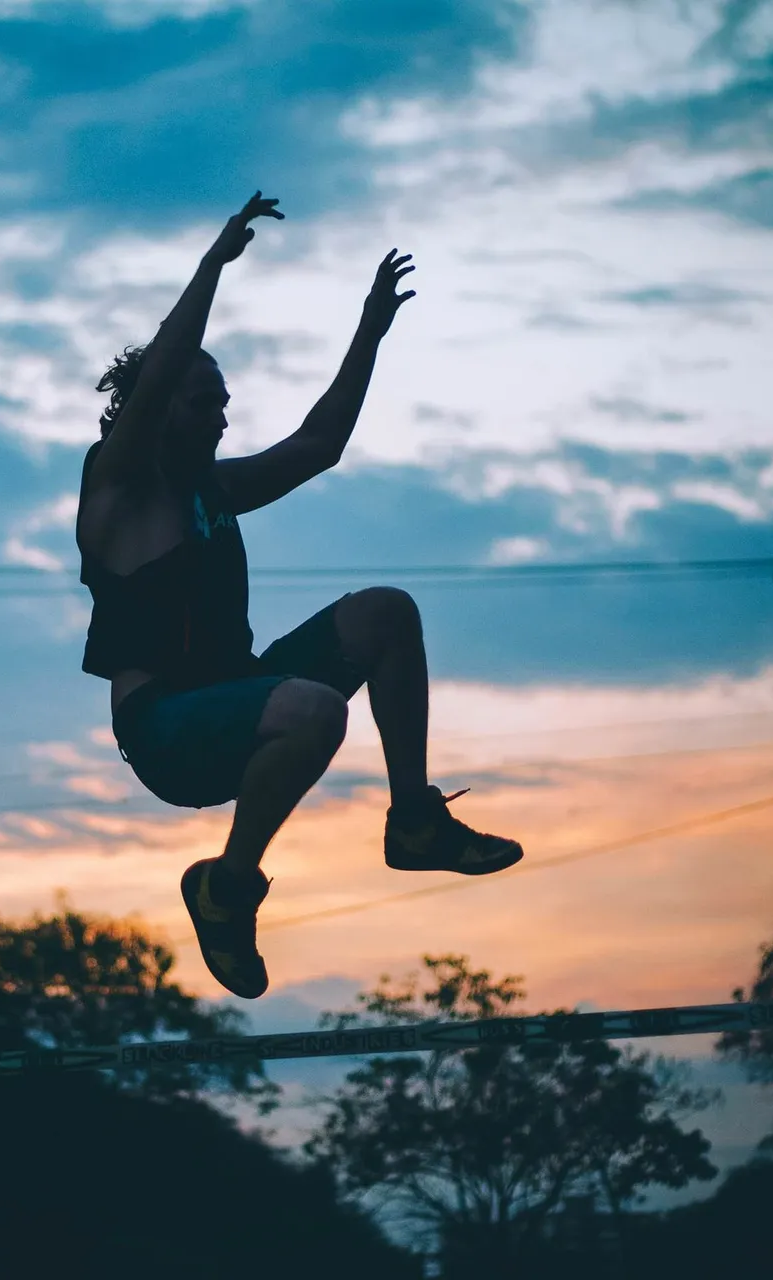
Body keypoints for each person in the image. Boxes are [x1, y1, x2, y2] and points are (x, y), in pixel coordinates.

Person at [75, 191, 522, 1000]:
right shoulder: (120, 485)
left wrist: (368, 334)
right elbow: (167, 364)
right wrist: (214, 264)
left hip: (240, 698)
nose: (223, 409)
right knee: (316, 708)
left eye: (223, 398)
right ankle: (227, 890)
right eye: (203, 399)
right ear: (159, 404)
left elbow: (320, 445)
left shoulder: (212, 486)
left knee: (387, 612)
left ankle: (415, 819)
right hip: (168, 733)